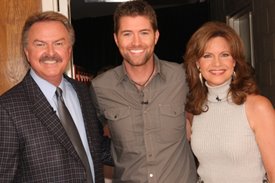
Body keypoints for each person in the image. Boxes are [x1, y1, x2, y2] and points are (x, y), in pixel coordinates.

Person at [91, 0, 197, 182]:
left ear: (156, 36)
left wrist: (189, 119)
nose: (136, 42)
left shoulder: (182, 77)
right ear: (116, 39)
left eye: (144, 33)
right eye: (127, 34)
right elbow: (94, 141)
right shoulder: (100, 87)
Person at [0, 11, 110, 182]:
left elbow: (98, 148)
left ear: (69, 50)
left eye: (58, 43)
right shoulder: (7, 109)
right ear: (27, 52)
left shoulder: (83, 92)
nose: (50, 52)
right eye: (40, 44)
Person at [184, 21, 275, 182]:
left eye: (224, 55)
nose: (217, 63)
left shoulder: (257, 107)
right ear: (197, 63)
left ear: (234, 61)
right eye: (207, 56)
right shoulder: (195, 108)